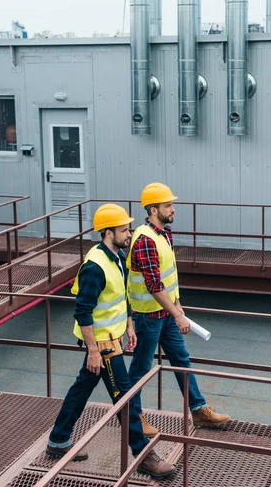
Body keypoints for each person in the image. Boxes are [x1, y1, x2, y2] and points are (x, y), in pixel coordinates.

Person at [45, 203, 176, 479]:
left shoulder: (116, 256)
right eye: (123, 230)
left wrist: (129, 324)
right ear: (107, 233)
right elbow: (82, 311)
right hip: (102, 346)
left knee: (82, 387)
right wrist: (93, 351)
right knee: (124, 396)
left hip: (112, 339)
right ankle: (143, 455)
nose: (129, 233)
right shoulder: (94, 266)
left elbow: (120, 296)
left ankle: (58, 440)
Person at [127, 183, 230, 437]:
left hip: (164, 314)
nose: (173, 209)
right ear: (153, 210)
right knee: (140, 368)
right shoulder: (144, 240)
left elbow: (168, 276)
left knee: (181, 360)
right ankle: (131, 418)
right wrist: (177, 314)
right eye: (168, 206)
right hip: (148, 317)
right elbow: (152, 285)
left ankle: (198, 409)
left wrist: (178, 303)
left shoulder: (164, 234)